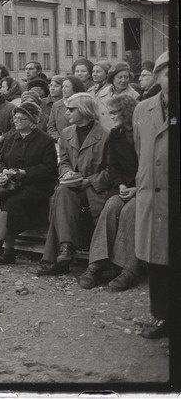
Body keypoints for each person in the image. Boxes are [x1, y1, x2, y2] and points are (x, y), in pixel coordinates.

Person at [36, 93, 113, 276]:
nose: (67, 112)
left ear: (85, 110)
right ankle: (66, 247)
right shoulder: (67, 133)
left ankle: (60, 255)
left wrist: (89, 181)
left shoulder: (105, 135)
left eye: (72, 109)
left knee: (59, 198)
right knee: (61, 192)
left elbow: (112, 171)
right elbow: (63, 162)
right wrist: (66, 173)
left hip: (94, 189)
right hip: (72, 187)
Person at [78, 95, 139, 291]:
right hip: (124, 187)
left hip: (146, 188)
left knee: (130, 212)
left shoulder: (145, 132)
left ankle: (128, 270)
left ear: (126, 111)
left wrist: (138, 189)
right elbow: (113, 166)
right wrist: (121, 184)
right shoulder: (115, 135)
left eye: (114, 112)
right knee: (110, 206)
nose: (111, 116)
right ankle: (95, 264)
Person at [0, 102, 57, 264]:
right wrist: (4, 172)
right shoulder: (11, 138)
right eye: (15, 118)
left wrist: (25, 173)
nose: (15, 121)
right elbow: (0, 161)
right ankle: (5, 248)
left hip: (36, 186)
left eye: (20, 118)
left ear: (32, 121)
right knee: (9, 200)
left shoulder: (45, 141)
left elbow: (50, 169)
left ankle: (4, 246)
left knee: (11, 202)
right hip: (12, 185)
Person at [132, 51, 170, 339]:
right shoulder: (142, 109)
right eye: (170, 74)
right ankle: (161, 317)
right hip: (152, 195)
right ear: (157, 78)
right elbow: (139, 149)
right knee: (158, 262)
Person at [95, 62, 140, 130]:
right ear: (112, 78)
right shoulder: (101, 94)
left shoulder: (135, 96)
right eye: (120, 77)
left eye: (126, 77)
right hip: (104, 136)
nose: (123, 80)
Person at [47, 76, 87, 143]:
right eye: (63, 87)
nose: (63, 89)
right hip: (61, 143)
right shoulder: (56, 105)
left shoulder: (84, 103)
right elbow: (51, 127)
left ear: (75, 88)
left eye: (67, 87)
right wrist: (59, 139)